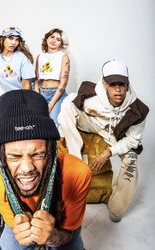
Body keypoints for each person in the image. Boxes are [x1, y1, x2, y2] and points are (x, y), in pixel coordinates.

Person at [0, 89, 92, 250]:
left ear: (50, 149)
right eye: (14, 156)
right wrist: (22, 231)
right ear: (0, 156)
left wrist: (51, 236)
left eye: (37, 154)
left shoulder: (77, 173)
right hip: (21, 219)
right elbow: (14, 222)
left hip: (60, 225)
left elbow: (67, 234)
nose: (26, 168)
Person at [58, 60, 149, 222]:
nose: (119, 89)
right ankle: (76, 160)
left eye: (122, 84)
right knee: (67, 107)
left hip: (116, 136)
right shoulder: (91, 94)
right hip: (92, 124)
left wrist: (108, 152)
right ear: (105, 84)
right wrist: (64, 131)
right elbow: (69, 104)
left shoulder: (138, 110)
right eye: (113, 84)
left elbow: (133, 140)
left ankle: (116, 207)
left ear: (128, 85)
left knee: (132, 162)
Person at [0, 27, 35, 102]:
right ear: (3, 39)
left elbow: (26, 84)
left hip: (26, 96)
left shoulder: (22, 57)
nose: (14, 42)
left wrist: (25, 103)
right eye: (11, 38)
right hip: (9, 98)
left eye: (17, 39)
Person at [35, 28, 70, 126]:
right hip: (41, 93)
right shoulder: (40, 56)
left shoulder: (63, 56)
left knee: (54, 124)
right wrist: (38, 97)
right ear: (47, 38)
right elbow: (37, 79)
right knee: (40, 123)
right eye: (52, 37)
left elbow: (64, 82)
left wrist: (51, 104)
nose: (54, 40)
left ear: (61, 44)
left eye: (58, 39)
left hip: (56, 94)